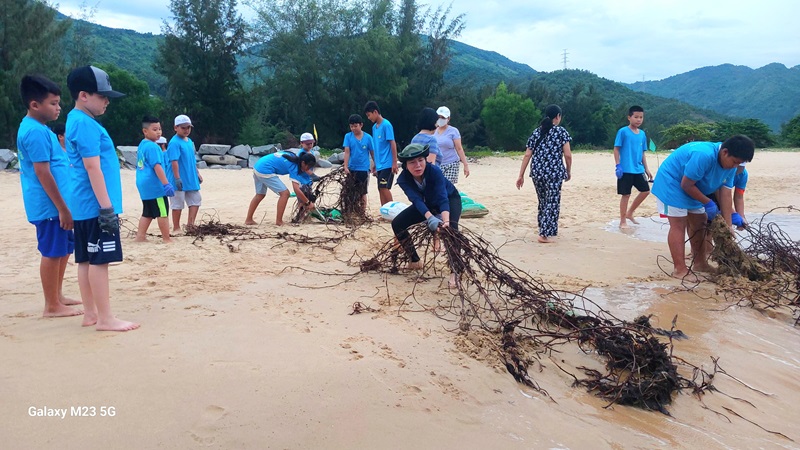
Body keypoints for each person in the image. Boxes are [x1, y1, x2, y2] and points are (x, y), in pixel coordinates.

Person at [65, 65, 139, 331]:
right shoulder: (84, 124)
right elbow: (92, 167)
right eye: (102, 95)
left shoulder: (76, 120)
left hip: (83, 205)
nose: (107, 100)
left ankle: (90, 313)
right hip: (96, 206)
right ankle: (105, 319)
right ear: (84, 95)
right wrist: (106, 208)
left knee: (85, 259)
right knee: (100, 261)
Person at [17, 75, 81, 318]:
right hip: (49, 206)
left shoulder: (41, 129)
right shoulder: (34, 132)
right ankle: (51, 305)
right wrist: (62, 208)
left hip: (58, 204)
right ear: (35, 105)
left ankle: (58, 295)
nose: (58, 108)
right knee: (53, 251)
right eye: (53, 103)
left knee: (64, 249)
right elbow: (42, 172)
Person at [651, 135, 755, 280]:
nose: (735, 166)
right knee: (678, 224)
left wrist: (728, 225)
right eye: (735, 162)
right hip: (672, 184)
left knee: (700, 221)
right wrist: (708, 202)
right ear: (725, 152)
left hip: (694, 187)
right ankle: (679, 269)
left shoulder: (731, 166)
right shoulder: (703, 155)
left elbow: (725, 194)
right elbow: (686, 184)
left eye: (739, 164)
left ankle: (700, 264)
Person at [393, 143, 462, 286]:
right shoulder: (403, 179)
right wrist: (430, 218)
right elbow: (416, 200)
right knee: (397, 223)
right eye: (412, 162)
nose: (417, 165)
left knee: (452, 230)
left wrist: (446, 222)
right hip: (426, 203)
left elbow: (443, 198)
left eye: (420, 160)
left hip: (449, 198)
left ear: (426, 160)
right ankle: (415, 260)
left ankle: (456, 270)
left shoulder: (434, 171)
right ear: (405, 165)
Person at [515, 104, 573, 243]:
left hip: (537, 173)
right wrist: (568, 170)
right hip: (554, 173)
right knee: (552, 203)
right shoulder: (561, 132)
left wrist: (521, 175)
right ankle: (544, 234)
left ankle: (544, 228)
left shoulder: (536, 132)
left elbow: (527, 154)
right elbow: (568, 155)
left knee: (543, 202)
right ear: (558, 116)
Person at [245, 151, 317, 226]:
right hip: (265, 170)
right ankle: (279, 221)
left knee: (260, 195)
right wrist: (308, 202)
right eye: (308, 167)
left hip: (258, 165)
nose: (308, 169)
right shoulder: (294, 167)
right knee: (285, 194)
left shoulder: (293, 156)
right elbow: (296, 190)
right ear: (303, 163)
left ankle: (249, 220)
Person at [134, 115, 174, 243]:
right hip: (154, 186)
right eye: (155, 129)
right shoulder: (153, 147)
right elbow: (157, 167)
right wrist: (166, 184)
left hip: (143, 185)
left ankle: (140, 236)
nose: (158, 132)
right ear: (145, 131)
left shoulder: (142, 144)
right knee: (162, 211)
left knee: (148, 212)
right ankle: (166, 238)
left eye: (160, 129)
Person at [614, 105, 653, 228]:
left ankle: (630, 213)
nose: (639, 120)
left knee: (645, 191)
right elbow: (616, 149)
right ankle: (622, 221)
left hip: (638, 169)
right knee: (626, 195)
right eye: (636, 117)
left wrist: (647, 169)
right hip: (625, 169)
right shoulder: (623, 132)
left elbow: (642, 153)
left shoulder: (642, 134)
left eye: (641, 117)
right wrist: (618, 165)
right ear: (629, 117)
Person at [166, 114, 203, 232]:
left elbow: (192, 159)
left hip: (190, 177)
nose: (186, 130)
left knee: (196, 200)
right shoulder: (174, 142)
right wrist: (177, 178)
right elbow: (174, 161)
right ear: (175, 128)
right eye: (183, 127)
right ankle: (176, 227)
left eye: (188, 127)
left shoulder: (189, 141)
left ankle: (190, 225)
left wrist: (197, 173)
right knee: (177, 203)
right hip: (179, 177)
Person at [364, 100, 398, 206]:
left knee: (384, 187)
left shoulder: (386, 125)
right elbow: (376, 147)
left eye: (369, 115)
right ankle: (384, 211)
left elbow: (392, 143)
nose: (369, 118)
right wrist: (374, 164)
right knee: (380, 188)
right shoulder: (374, 128)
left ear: (375, 112)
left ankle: (392, 211)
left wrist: (394, 162)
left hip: (387, 163)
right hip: (379, 164)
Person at [342, 114, 375, 211]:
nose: (353, 128)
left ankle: (362, 211)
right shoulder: (348, 136)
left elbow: (372, 153)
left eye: (355, 126)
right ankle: (351, 210)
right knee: (350, 191)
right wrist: (346, 166)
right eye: (351, 126)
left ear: (361, 125)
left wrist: (375, 165)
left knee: (363, 192)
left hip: (364, 168)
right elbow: (347, 152)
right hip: (352, 168)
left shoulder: (368, 137)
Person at [434, 106, 470, 184]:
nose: (440, 119)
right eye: (438, 117)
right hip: (436, 164)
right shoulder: (432, 131)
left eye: (443, 117)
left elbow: (459, 148)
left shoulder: (453, 131)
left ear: (448, 119)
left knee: (447, 187)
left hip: (451, 164)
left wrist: (465, 165)